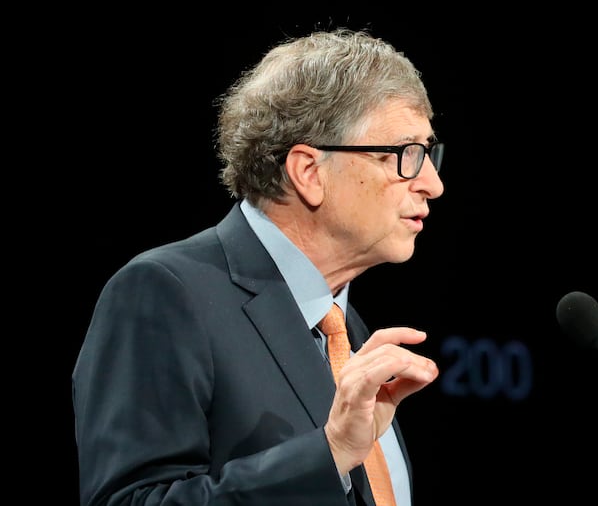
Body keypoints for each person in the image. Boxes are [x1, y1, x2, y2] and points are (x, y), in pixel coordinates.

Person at [72, 28, 445, 506]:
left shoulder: (342, 329)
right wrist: (328, 455)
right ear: (309, 173)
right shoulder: (165, 293)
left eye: (429, 153)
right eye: (405, 155)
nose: (432, 184)